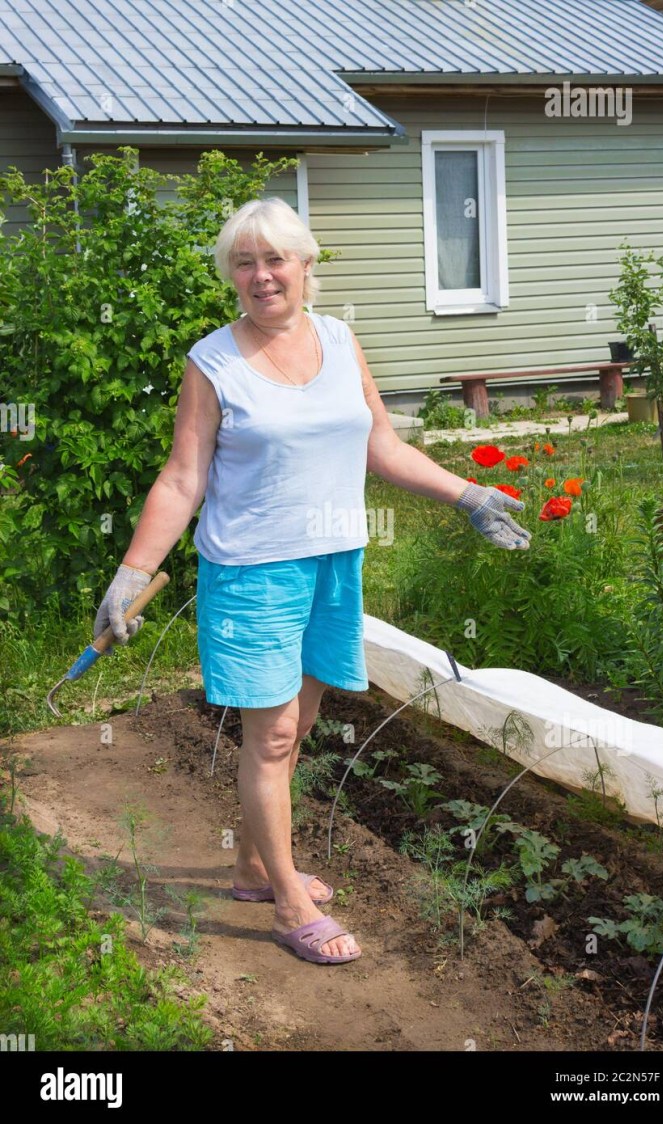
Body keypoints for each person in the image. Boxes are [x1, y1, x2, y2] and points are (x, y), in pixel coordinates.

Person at [94, 196, 531, 966]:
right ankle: (289, 901)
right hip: (253, 573)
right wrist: (134, 574)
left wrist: (466, 495)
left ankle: (253, 866)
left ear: (305, 266)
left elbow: (382, 446)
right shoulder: (213, 361)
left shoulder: (339, 338)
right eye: (244, 262)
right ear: (231, 274)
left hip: (335, 561)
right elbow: (182, 476)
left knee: (298, 726)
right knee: (273, 738)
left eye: (275, 259)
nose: (262, 275)